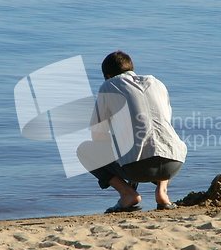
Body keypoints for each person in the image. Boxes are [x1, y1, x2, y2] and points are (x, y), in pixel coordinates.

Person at [77, 50, 187, 213]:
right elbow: (163, 124)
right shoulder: (157, 83)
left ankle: (128, 194)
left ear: (107, 75)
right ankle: (162, 193)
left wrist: (117, 141)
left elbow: (97, 135)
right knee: (161, 137)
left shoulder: (109, 86)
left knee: (84, 150)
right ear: (131, 68)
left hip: (137, 168)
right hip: (173, 163)